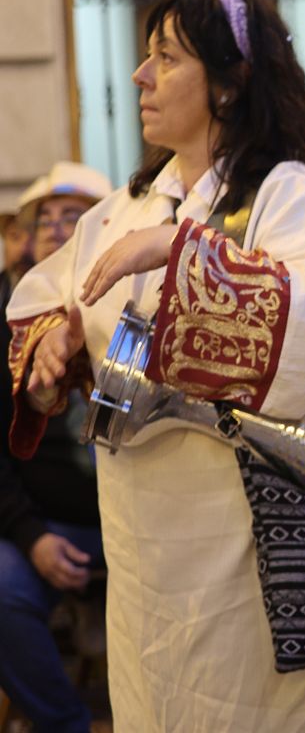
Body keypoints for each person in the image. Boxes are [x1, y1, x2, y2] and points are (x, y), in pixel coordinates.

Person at [7, 0, 305, 729]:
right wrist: (57, 340)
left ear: (228, 83)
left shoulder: (293, 196)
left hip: (265, 545)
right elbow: (51, 294)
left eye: (167, 58)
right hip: (150, 549)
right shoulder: (128, 205)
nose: (141, 76)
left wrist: (184, 252)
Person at [0, 162, 111, 732]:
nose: (57, 229)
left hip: (141, 518)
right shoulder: (5, 324)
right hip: (47, 527)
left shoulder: (131, 307)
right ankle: (66, 726)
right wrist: (32, 536)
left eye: (75, 217)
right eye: (46, 218)